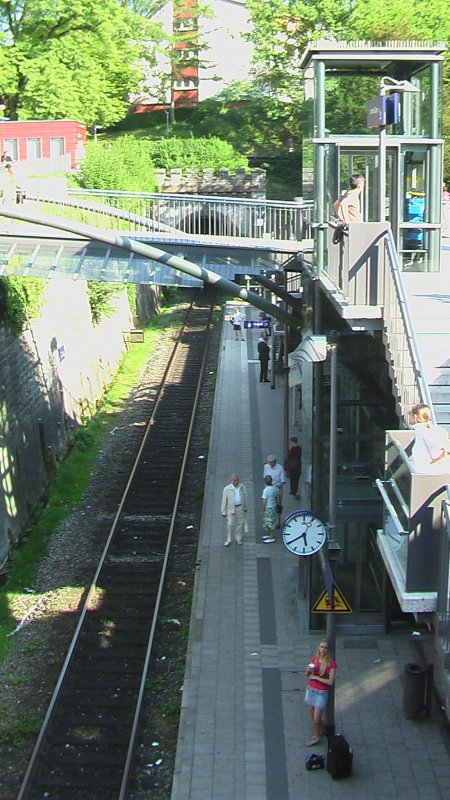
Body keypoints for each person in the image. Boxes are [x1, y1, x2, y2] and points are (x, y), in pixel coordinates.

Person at [305, 640, 336, 747]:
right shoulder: (314, 659)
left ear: (328, 650)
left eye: (325, 648)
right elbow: (308, 675)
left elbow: (330, 682)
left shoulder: (331, 663)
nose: (323, 649)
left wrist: (316, 677)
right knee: (312, 716)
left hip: (321, 693)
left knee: (317, 719)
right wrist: (308, 671)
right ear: (318, 648)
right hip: (311, 690)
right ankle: (317, 733)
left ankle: (317, 737)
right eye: (321, 647)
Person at [409, 403, 450, 473]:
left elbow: (443, 448)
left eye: (409, 414)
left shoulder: (422, 431)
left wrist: (434, 462)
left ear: (415, 417)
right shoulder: (437, 429)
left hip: (431, 473)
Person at [221, 473, 248, 546]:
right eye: (235, 480)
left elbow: (245, 497)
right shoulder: (227, 489)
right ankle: (228, 539)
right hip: (231, 509)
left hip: (240, 507)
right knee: (230, 524)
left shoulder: (242, 487)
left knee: (240, 523)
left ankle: (238, 538)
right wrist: (223, 511)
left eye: (237, 480)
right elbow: (224, 501)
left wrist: (245, 507)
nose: (237, 482)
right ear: (232, 481)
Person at [263, 455, 285, 529]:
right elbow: (265, 477)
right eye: (269, 462)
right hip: (269, 488)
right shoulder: (266, 467)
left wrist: (278, 485)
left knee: (278, 505)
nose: (270, 464)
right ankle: (270, 520)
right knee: (269, 504)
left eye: (271, 462)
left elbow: (283, 480)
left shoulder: (280, 468)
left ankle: (278, 521)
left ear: (275, 461)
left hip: (278, 488)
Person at [261, 474, 279, 542]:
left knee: (270, 522)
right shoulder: (274, 488)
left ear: (265, 482)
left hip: (268, 507)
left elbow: (264, 501)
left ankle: (272, 536)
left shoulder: (266, 490)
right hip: (273, 506)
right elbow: (277, 495)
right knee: (270, 521)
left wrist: (262, 510)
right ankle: (269, 534)